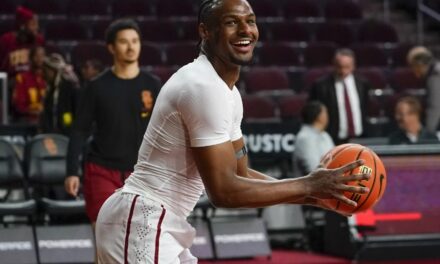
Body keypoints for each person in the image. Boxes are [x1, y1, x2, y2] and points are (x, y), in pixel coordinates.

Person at [95, 1, 370, 263]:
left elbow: (240, 173)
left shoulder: (228, 93)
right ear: (205, 30)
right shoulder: (201, 86)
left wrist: (315, 194)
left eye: (250, 21)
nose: (245, 30)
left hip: (154, 218)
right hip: (145, 216)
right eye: (231, 22)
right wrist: (309, 186)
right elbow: (225, 192)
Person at [64, 19, 161, 228]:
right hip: (101, 170)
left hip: (141, 174)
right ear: (111, 47)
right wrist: (72, 171)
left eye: (135, 41)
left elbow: (164, 131)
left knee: (138, 241)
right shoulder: (96, 87)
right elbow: (79, 131)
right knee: (104, 237)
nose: (130, 47)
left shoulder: (152, 85)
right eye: (124, 42)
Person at [309, 48, 371, 144]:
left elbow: (366, 108)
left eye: (347, 67)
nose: (343, 71)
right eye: (339, 67)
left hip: (359, 138)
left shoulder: (363, 84)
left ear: (353, 66)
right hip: (333, 139)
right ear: (334, 65)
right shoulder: (321, 86)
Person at [39, 53, 80, 136]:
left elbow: (75, 114)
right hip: (51, 135)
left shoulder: (70, 88)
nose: (44, 74)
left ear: (54, 71)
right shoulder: (51, 90)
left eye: (46, 71)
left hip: (67, 134)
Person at [0, 6, 45, 77]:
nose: (37, 28)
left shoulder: (39, 40)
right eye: (33, 24)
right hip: (9, 83)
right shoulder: (6, 40)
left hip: (32, 83)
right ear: (22, 25)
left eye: (37, 24)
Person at [294, 101, 334, 177]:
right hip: (309, 187)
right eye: (325, 112)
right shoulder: (304, 138)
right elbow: (314, 171)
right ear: (319, 116)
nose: (328, 116)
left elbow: (337, 157)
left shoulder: (325, 135)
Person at [407, 46, 440, 133]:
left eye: (412, 65)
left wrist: (428, 133)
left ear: (419, 64)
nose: (412, 70)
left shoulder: (435, 76)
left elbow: (435, 107)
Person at [12, 45, 46, 123]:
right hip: (27, 120)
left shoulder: (49, 79)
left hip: (47, 120)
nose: (40, 59)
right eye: (36, 56)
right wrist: (34, 112)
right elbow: (19, 106)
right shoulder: (22, 78)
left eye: (42, 56)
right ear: (31, 58)